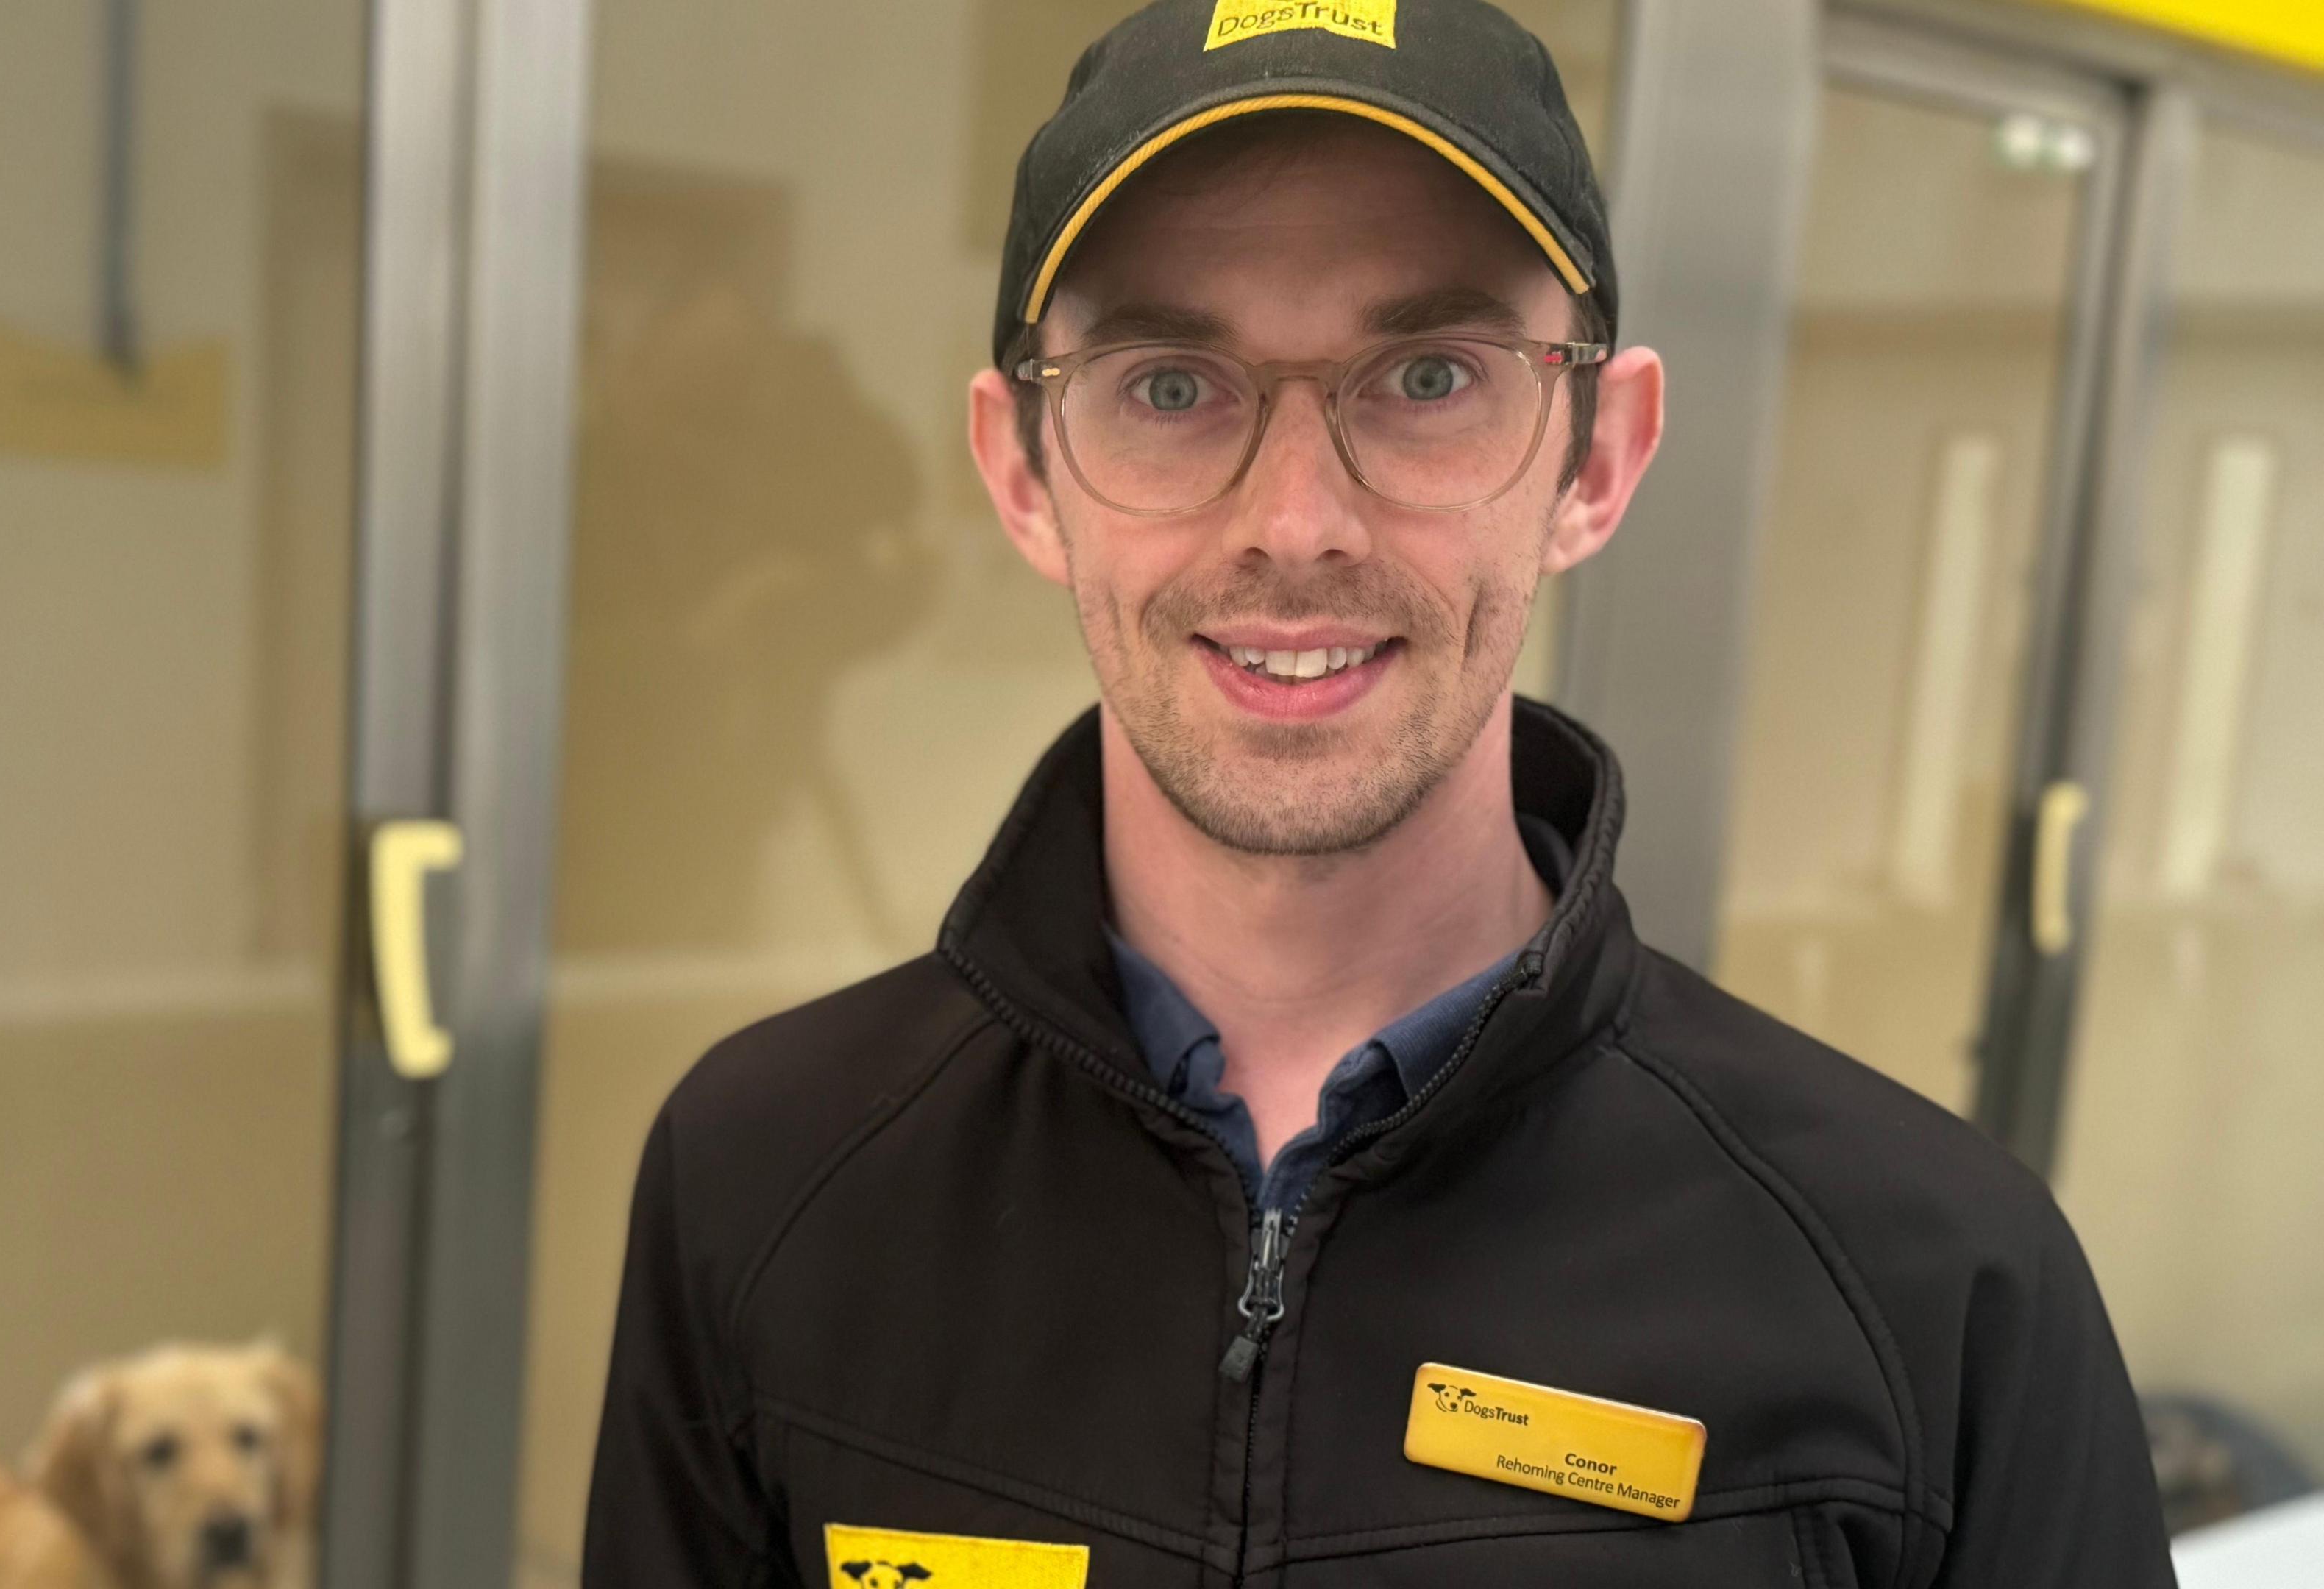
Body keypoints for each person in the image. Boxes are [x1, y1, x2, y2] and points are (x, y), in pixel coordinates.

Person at [584, 1, 2175, 1582]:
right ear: (1023, 472)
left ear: (1598, 456)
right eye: (1165, 384)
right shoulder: (769, 1183)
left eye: (1426, 377)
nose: (1296, 523)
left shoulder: (1928, 1285)